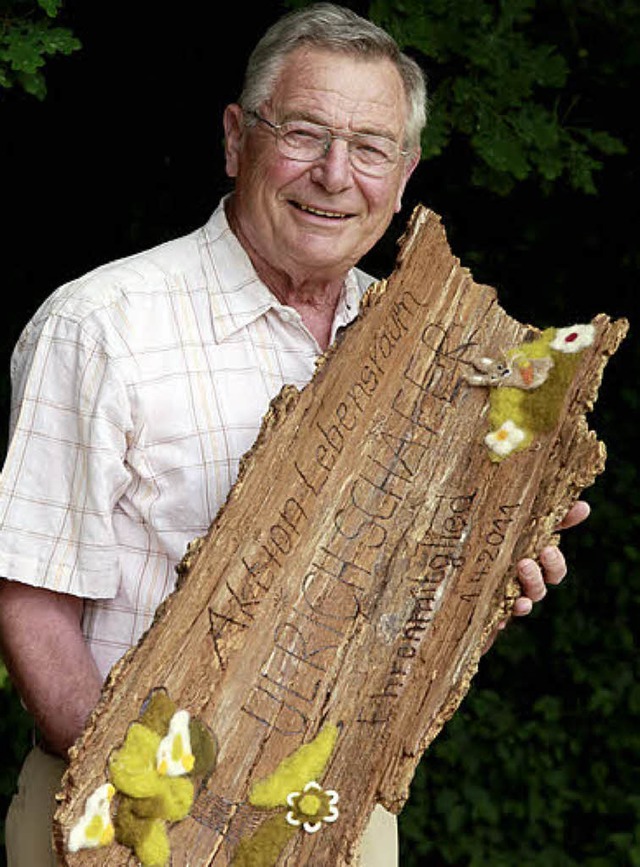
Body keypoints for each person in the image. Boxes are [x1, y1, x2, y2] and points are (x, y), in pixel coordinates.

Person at [0, 4, 588, 866]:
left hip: (334, 815)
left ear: (404, 172)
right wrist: (151, 820)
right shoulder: (102, 325)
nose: (334, 174)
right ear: (237, 139)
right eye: (304, 133)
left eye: (370, 147)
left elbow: (395, 609)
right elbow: (31, 599)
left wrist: (492, 573)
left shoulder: (429, 356)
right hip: (120, 823)